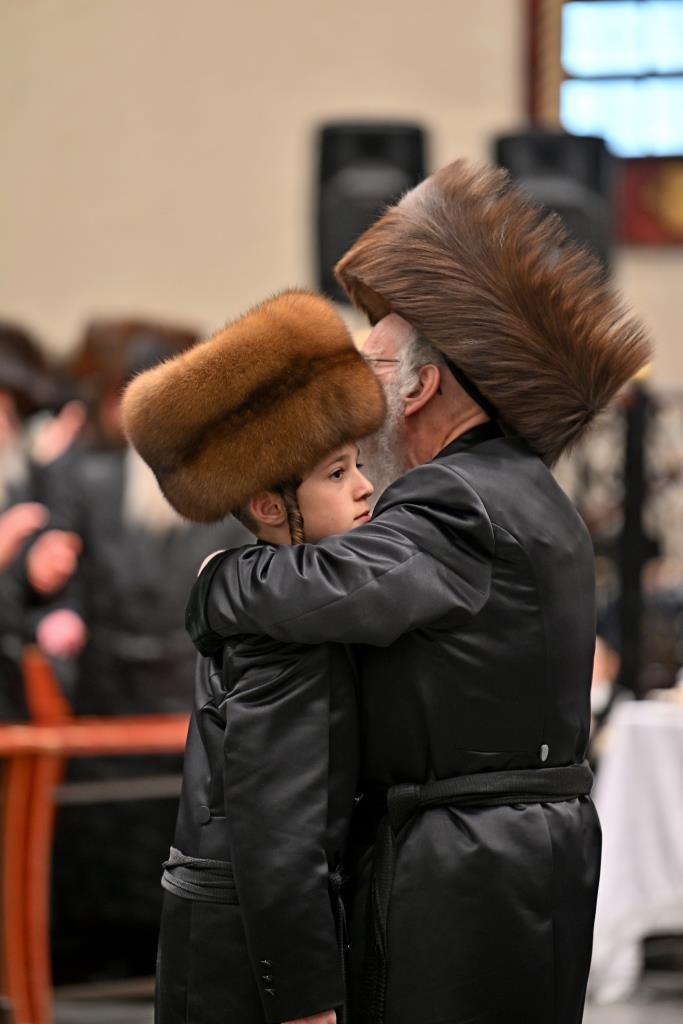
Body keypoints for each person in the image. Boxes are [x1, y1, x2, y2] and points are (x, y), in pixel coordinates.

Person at [185, 160, 652, 1024]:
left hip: (457, 867)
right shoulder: (524, 483)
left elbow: (324, 589)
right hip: (517, 850)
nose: (352, 405)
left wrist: (218, 581)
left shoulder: (450, 496)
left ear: (424, 384)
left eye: (369, 369)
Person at [122, 289, 385, 1024]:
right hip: (242, 951)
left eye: (357, 464)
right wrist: (307, 1005)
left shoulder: (268, 595)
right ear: (269, 508)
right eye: (335, 474)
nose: (364, 487)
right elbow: (277, 838)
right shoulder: (285, 627)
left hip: (231, 928)